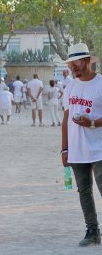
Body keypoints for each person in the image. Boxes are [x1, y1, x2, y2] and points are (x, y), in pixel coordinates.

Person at [61, 42, 102, 246]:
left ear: (87, 61)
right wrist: (65, 148)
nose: (73, 67)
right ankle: (92, 231)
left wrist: (92, 123)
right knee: (84, 191)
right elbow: (66, 118)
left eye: (76, 63)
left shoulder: (101, 84)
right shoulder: (71, 85)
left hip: (99, 148)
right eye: (70, 64)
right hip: (77, 150)